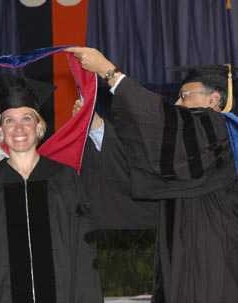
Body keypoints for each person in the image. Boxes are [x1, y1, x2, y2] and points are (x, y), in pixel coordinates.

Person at [67, 46, 238, 303]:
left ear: (214, 99)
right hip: (180, 262)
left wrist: (109, 72)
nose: (177, 103)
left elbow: (162, 122)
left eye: (184, 96)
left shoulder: (222, 130)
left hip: (217, 263)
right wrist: (98, 128)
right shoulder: (193, 154)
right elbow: (145, 168)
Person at [0, 74, 103, 303]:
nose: (18, 128)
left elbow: (84, 256)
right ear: (0, 130)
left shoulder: (65, 180)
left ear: (39, 126)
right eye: (9, 120)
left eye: (27, 118)